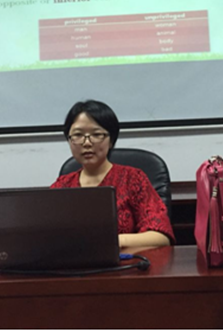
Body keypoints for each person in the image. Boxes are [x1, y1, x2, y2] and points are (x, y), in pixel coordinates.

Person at [51, 100, 174, 249]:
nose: (87, 143)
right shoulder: (62, 186)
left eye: (97, 134)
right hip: (74, 263)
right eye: (78, 135)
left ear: (111, 141)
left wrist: (112, 241)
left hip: (125, 262)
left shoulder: (133, 179)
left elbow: (160, 236)